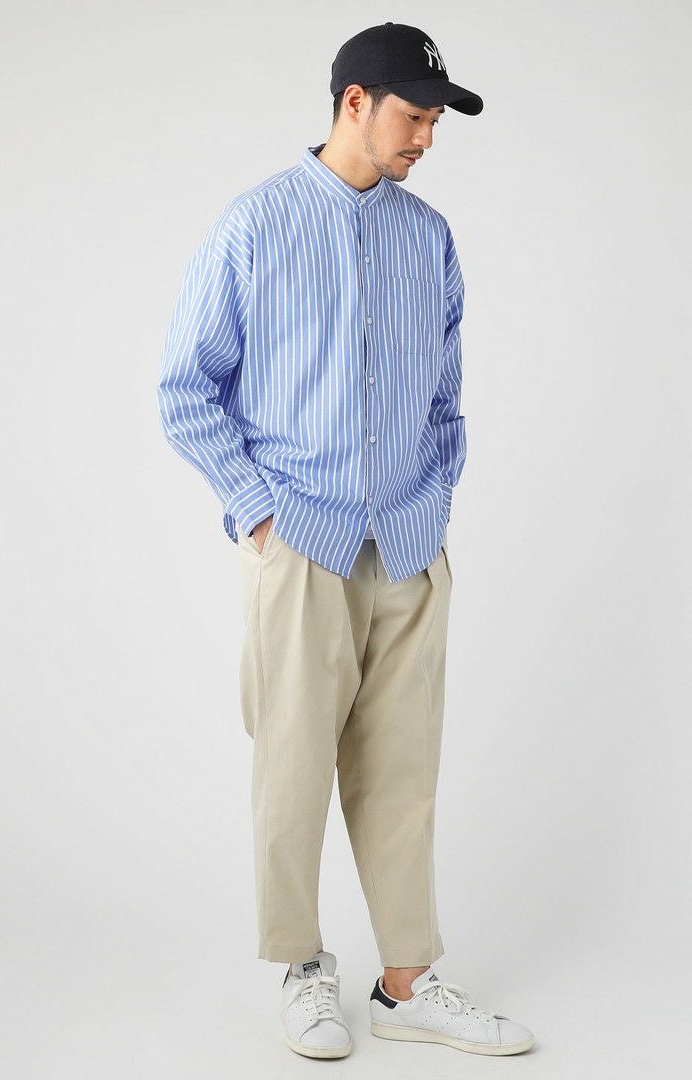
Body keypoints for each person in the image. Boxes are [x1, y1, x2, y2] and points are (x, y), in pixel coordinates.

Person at [157, 20, 535, 1060]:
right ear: (354, 103)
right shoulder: (255, 225)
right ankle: (300, 968)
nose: (427, 138)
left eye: (436, 120)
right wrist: (260, 512)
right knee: (292, 770)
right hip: (303, 540)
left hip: (409, 543)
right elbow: (185, 388)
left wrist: (435, 502)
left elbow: (447, 398)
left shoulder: (430, 239)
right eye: (414, 115)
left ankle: (406, 984)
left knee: (404, 772)